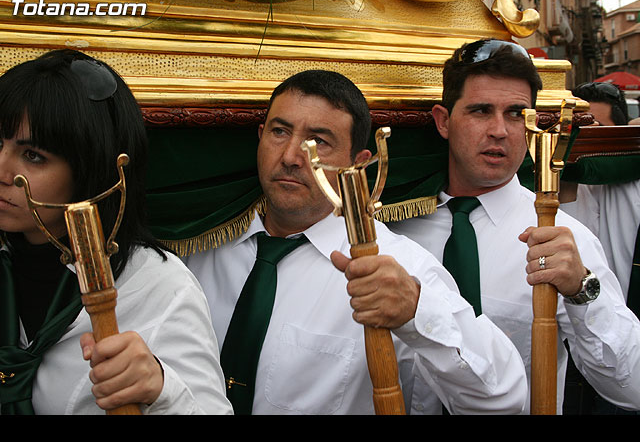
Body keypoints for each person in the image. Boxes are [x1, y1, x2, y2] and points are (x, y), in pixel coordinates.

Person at [184, 69, 528, 415]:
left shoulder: (401, 270)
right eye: (279, 132)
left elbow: (503, 398)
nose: (290, 156)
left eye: (318, 141)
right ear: (260, 137)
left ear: (358, 165)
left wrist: (418, 311)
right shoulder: (196, 249)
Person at [387, 39, 640, 414]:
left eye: (517, 113)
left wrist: (583, 290)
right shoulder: (395, 231)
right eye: (480, 111)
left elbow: (630, 388)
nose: (499, 130)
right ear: (443, 121)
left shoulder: (564, 241)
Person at [0, 49, 232, 415]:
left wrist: (161, 388)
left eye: (33, 156)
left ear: (90, 170)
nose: (3, 169)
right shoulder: (6, 260)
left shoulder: (159, 286)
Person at [559, 80, 640, 414]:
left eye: (599, 131)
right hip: (563, 358)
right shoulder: (537, 189)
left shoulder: (631, 185)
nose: (584, 144)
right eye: (578, 131)